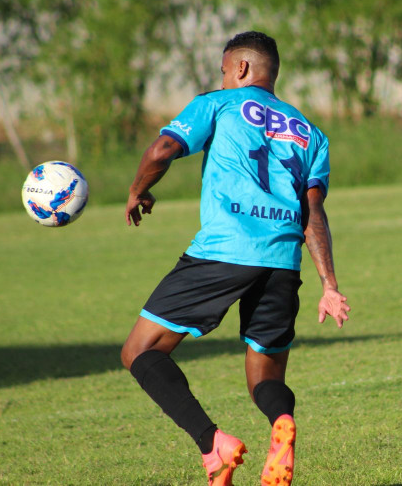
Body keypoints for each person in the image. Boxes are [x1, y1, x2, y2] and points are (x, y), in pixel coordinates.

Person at [121, 31, 351, 486]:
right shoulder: (310, 132)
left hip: (223, 252)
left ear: (240, 68)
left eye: (224, 69)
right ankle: (281, 423)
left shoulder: (219, 103)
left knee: (139, 352)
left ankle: (213, 447)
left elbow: (164, 148)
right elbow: (313, 213)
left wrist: (137, 189)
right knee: (263, 374)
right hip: (283, 260)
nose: (222, 77)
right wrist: (329, 284)